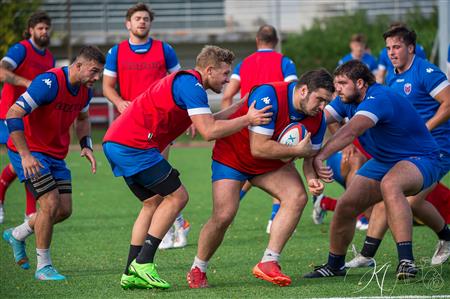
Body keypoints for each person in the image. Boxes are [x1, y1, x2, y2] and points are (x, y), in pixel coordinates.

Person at [102, 45, 272, 290]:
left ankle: (131, 271)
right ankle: (144, 263)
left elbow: (210, 120)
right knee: (178, 196)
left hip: (116, 142)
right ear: (210, 70)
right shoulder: (190, 85)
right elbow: (209, 131)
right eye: (225, 74)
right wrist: (248, 119)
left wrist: (242, 105)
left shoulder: (189, 85)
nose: (227, 80)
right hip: (133, 145)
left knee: (152, 203)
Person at [187, 69, 335, 288]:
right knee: (224, 215)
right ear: (304, 90)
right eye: (320, 99)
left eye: (326, 102)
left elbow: (308, 157)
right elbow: (258, 148)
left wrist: (312, 177)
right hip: (233, 158)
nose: (322, 107)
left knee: (297, 197)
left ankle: (269, 262)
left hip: (270, 165)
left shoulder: (318, 118)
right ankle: (198, 267)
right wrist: (296, 149)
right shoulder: (269, 95)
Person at [303, 60, 442, 280]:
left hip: (422, 158)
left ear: (360, 83)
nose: (336, 88)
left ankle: (406, 261)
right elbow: (320, 119)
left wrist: (319, 155)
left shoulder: (378, 98)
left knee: (391, 184)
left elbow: (351, 131)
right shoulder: (345, 98)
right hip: (386, 160)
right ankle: (335, 265)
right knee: (346, 205)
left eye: (341, 83)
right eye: (335, 83)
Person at [345, 25, 450, 268]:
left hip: (438, 147)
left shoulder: (426, 71)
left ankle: (445, 237)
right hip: (408, 150)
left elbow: (448, 103)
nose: (392, 52)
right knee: (389, 193)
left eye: (397, 47)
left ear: (411, 48)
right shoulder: (393, 76)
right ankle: (367, 254)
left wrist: (425, 128)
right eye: (389, 48)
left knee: (409, 201)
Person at [2, 46, 104, 280]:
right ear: (78, 66)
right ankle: (43, 267)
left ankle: (18, 234)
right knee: (49, 204)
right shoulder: (48, 82)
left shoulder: (85, 90)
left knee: (64, 210)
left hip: (56, 154)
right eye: (94, 71)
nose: (97, 78)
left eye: (99, 73)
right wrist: (26, 155)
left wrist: (86, 144)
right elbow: (13, 113)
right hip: (29, 151)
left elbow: (83, 118)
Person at [102, 2, 187, 250]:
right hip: (132, 126)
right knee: (155, 187)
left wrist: (186, 115)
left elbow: (178, 82)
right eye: (137, 18)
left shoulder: (164, 50)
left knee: (160, 181)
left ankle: (170, 231)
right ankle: (177, 224)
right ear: (128, 23)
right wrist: (119, 102)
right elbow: (107, 86)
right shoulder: (116, 52)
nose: (142, 22)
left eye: (146, 19)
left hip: (160, 123)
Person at [221, 24, 298, 233]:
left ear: (257, 40)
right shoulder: (285, 62)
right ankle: (274, 219)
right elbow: (295, 93)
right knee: (279, 166)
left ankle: (229, 207)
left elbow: (227, 96)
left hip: (249, 124)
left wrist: (231, 126)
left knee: (249, 170)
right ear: (276, 41)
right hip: (276, 124)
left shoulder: (244, 64)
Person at [0, 11, 55, 225]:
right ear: (31, 30)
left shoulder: (49, 57)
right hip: (11, 114)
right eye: (40, 28)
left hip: (32, 117)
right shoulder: (20, 49)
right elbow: (2, 72)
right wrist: (27, 82)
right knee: (27, 160)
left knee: (24, 163)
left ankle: (21, 208)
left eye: (46, 28)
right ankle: (30, 212)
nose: (44, 32)